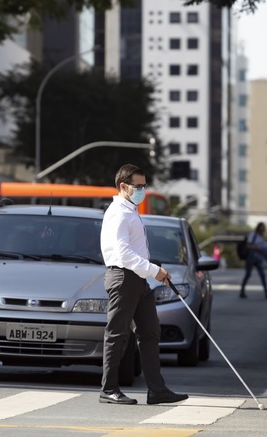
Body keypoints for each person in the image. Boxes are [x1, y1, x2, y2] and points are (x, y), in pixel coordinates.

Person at [99, 163, 188, 406]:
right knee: (117, 333)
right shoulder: (119, 213)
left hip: (138, 279)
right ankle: (109, 389)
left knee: (150, 332)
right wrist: (155, 270)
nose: (142, 190)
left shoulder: (131, 210)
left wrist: (150, 272)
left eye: (144, 186)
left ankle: (157, 390)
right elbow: (124, 253)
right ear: (123, 186)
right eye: (137, 186)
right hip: (123, 277)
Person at [239, 222, 267, 299]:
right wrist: (256, 248)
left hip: (258, 258)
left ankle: (266, 292)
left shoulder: (262, 237)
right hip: (251, 257)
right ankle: (242, 291)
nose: (263, 229)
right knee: (248, 274)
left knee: (262, 275)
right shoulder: (253, 235)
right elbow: (248, 245)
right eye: (262, 227)